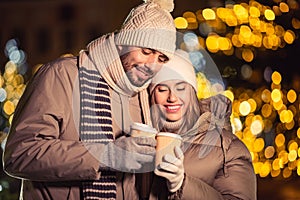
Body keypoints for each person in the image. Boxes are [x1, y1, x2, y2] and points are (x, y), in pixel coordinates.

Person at [3, 0, 177, 199]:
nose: (152, 65)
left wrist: (174, 179)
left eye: (162, 58)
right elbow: (19, 154)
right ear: (122, 43)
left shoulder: (144, 97)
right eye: (146, 51)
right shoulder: (62, 75)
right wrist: (106, 155)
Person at [148, 49, 257, 199]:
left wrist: (182, 185)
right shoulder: (141, 138)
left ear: (192, 93)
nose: (172, 97)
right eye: (162, 89)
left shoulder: (227, 148)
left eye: (181, 88)